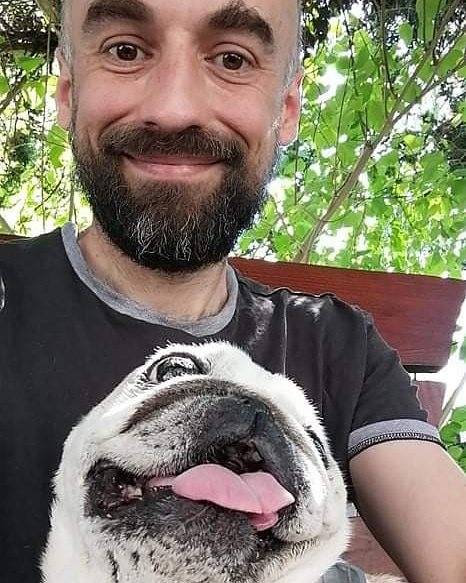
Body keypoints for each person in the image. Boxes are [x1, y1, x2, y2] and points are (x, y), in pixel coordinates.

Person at [0, 0, 465, 582]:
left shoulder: (339, 346)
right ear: (68, 93)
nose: (175, 109)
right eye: (126, 50)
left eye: (232, 59)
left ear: (286, 109)